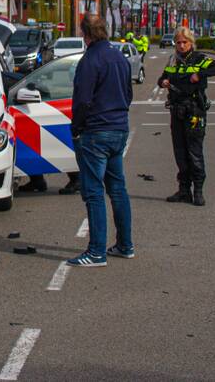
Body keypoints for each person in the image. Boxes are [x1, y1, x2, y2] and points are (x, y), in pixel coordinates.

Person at [66, 14, 134, 267]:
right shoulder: (119, 57)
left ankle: (96, 251)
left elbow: (82, 100)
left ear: (86, 34)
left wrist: (77, 128)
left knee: (93, 192)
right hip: (118, 128)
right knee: (118, 189)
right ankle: (125, 245)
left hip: (95, 131)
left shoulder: (89, 60)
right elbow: (128, 93)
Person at [158, 27, 215, 207]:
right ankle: (183, 190)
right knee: (180, 152)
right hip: (176, 110)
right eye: (178, 42)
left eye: (184, 42)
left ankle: (198, 191)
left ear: (191, 43)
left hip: (195, 111)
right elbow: (162, 78)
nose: (181, 45)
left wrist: (200, 74)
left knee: (194, 152)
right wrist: (163, 82)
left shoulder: (200, 59)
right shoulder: (173, 60)